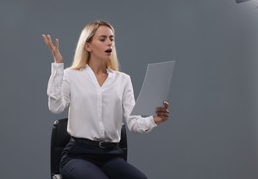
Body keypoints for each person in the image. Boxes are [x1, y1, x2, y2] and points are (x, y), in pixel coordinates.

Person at [42, 20, 170, 179]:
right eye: (103, 39)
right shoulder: (71, 76)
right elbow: (55, 107)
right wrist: (58, 65)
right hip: (77, 156)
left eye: (111, 39)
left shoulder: (123, 80)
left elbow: (133, 123)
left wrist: (154, 119)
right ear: (88, 46)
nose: (109, 43)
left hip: (111, 156)